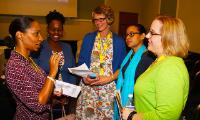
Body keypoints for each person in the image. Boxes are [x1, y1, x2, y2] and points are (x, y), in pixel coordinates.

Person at [122, 15, 190, 120]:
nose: (147, 36)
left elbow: (167, 116)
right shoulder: (159, 61)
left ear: (167, 37)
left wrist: (132, 116)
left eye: (152, 33)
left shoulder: (171, 68)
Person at [76, 4, 127, 119]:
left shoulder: (119, 41)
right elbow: (81, 63)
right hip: (89, 89)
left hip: (108, 90)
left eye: (101, 19)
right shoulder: (88, 38)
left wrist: (109, 78)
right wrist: (85, 78)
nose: (98, 23)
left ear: (109, 19)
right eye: (95, 20)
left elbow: (123, 68)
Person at [5, 17, 61, 119]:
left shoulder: (27, 60)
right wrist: (52, 73)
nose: (41, 38)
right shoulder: (15, 66)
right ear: (19, 35)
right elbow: (38, 105)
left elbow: (38, 89)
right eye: (36, 34)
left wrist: (53, 96)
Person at [32, 10, 77, 118]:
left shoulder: (67, 47)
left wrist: (68, 94)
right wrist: (51, 95)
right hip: (45, 98)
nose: (56, 33)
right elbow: (35, 75)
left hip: (65, 100)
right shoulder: (38, 47)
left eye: (59, 30)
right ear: (48, 29)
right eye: (53, 29)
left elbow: (72, 72)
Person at [114, 24, 155, 120]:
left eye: (132, 34)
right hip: (124, 98)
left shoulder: (147, 57)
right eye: (127, 35)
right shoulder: (130, 55)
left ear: (142, 36)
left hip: (136, 104)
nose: (128, 37)